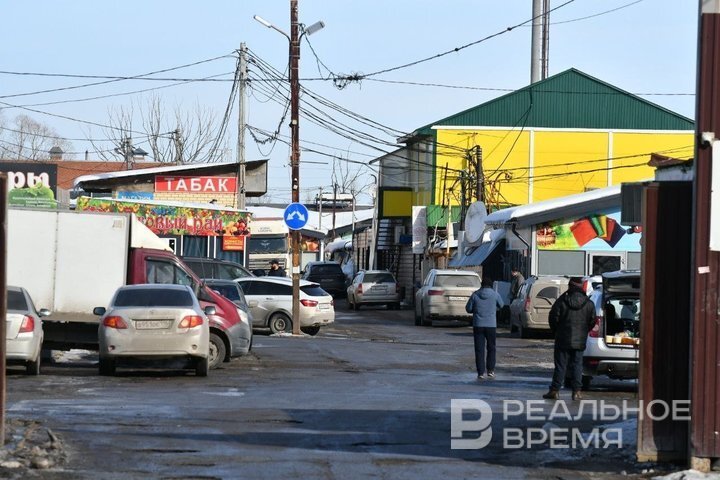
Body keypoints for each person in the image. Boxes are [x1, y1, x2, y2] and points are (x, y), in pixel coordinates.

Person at [544, 277, 595, 401]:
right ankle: (576, 392)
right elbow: (592, 321)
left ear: (570, 286)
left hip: (562, 339)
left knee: (561, 366)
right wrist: (584, 331)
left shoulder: (562, 300)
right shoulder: (589, 303)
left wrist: (556, 331)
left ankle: (555, 390)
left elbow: (553, 317)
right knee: (577, 366)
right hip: (580, 340)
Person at [465, 276, 504, 380]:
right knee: (491, 348)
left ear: (481, 285)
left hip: (478, 325)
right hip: (491, 325)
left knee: (479, 349)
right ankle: (490, 370)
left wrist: (475, 310)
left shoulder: (475, 295)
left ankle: (480, 372)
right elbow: (502, 305)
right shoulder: (495, 295)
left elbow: (468, 308)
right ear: (491, 285)